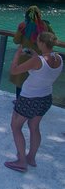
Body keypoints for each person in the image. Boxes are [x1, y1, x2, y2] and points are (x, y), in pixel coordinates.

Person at [5, 32, 63, 173]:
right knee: (34, 126)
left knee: (15, 126)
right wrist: (35, 56)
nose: (36, 43)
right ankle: (31, 157)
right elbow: (44, 67)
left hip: (29, 98)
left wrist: (17, 56)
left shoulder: (38, 61)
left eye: (38, 41)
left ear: (42, 43)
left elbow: (14, 70)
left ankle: (21, 162)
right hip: (45, 98)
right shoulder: (59, 58)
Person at [9, 6, 54, 98]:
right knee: (34, 81)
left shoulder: (23, 25)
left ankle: (19, 101)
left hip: (24, 57)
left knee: (20, 82)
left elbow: (16, 40)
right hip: (39, 58)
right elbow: (53, 37)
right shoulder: (46, 25)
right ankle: (32, 101)